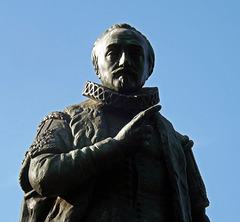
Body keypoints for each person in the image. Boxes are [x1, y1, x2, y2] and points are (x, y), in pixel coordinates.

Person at [19, 23, 210, 222]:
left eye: (135, 54)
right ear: (97, 66)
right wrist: (117, 147)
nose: (125, 61)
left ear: (149, 68)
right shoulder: (63, 120)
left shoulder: (176, 141)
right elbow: (41, 176)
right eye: (112, 53)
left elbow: (197, 212)